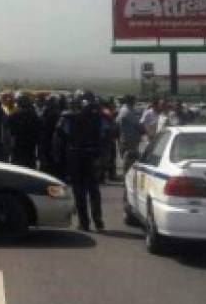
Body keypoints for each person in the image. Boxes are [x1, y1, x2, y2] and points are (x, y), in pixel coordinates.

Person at [55, 91, 108, 231]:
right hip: (92, 155)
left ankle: (85, 223)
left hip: (77, 155)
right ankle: (98, 221)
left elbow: (61, 135)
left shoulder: (68, 117)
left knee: (80, 191)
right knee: (93, 190)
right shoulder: (99, 117)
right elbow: (107, 134)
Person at [6, 94, 41, 169]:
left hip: (17, 146)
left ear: (18, 103)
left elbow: (9, 132)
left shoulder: (13, 115)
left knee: (17, 170)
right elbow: (38, 132)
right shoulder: (34, 115)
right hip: (30, 147)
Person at [115, 95, 144, 171]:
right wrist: (143, 131)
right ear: (131, 101)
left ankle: (127, 176)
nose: (135, 102)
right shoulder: (128, 111)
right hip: (130, 139)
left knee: (127, 158)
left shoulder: (122, 110)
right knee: (129, 160)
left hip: (125, 137)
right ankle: (127, 178)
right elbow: (137, 124)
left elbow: (117, 122)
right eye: (134, 101)